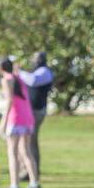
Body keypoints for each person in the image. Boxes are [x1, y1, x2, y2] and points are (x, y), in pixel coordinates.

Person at [0, 58, 40, 188]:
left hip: (15, 118)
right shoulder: (19, 78)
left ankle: (14, 185)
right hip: (27, 117)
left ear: (0, 69)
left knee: (13, 152)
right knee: (26, 151)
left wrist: (3, 123)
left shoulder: (6, 79)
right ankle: (34, 184)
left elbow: (9, 100)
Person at [18, 52, 53, 180]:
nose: (35, 61)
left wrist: (19, 72)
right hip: (30, 111)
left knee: (30, 142)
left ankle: (32, 171)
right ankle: (27, 170)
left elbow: (32, 81)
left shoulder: (45, 71)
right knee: (26, 141)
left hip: (36, 111)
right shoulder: (35, 71)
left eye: (37, 59)